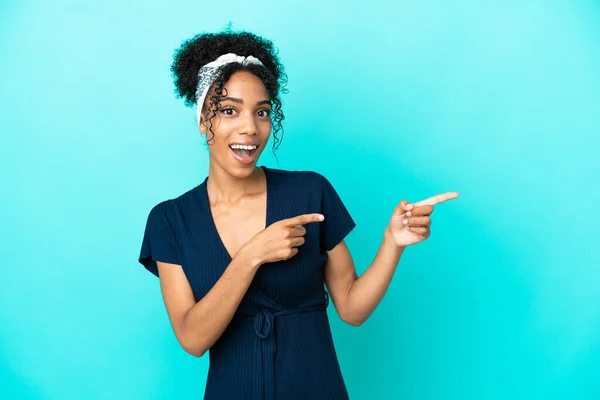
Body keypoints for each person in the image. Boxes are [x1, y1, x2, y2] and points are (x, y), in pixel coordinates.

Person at [138, 28, 459, 400]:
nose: (250, 127)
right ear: (202, 120)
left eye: (261, 112)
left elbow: (352, 309)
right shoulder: (169, 221)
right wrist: (252, 256)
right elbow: (192, 339)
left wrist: (392, 243)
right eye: (229, 110)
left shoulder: (309, 191)